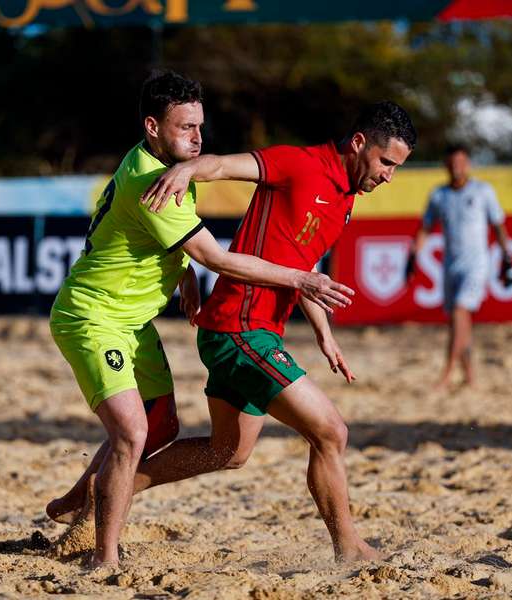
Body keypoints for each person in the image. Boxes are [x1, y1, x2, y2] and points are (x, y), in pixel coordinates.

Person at [53, 100, 416, 563]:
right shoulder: (299, 163)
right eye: (386, 163)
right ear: (360, 142)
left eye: (397, 169)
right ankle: (350, 548)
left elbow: (300, 267)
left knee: (228, 452)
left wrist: (324, 333)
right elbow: (221, 165)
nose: (389, 176)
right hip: (239, 328)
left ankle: (99, 492)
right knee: (331, 432)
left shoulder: (345, 202)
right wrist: (184, 173)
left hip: (254, 330)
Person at [407, 144, 512, 388]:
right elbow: (425, 228)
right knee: (460, 322)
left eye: (461, 162)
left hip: (476, 264)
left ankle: (447, 372)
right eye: (453, 163)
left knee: (459, 313)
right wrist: (413, 255)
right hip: (450, 265)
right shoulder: (438, 195)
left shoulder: (483, 191)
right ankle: (470, 376)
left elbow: (498, 225)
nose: (457, 168)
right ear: (446, 166)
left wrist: (507, 257)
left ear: (468, 164)